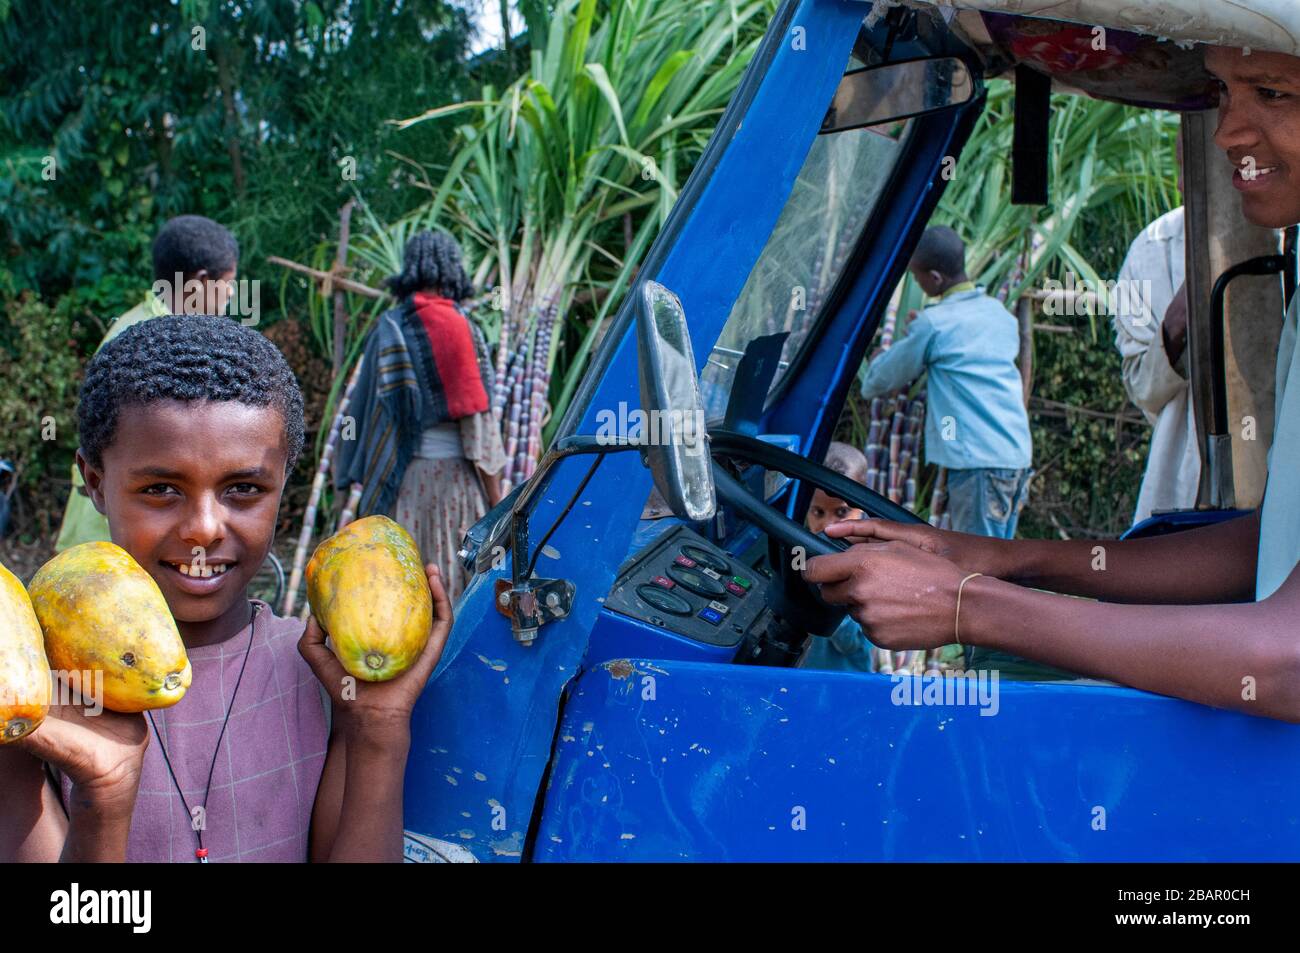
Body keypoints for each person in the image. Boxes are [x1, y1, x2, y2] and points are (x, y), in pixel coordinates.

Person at [804, 46, 1300, 723]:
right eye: (1222, 92)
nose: (1226, 134)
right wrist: (999, 558)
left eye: (1272, 92)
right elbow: (1270, 543)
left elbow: (1286, 664)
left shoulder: (936, 324)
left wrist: (967, 602)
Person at [0, 316, 451, 861]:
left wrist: (377, 730)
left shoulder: (327, 675)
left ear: (283, 484)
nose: (205, 527)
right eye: (161, 488)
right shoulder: (34, 691)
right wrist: (106, 796)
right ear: (94, 482)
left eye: (244, 488)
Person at [336, 230, 507, 605]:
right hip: (457, 489)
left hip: (403, 486)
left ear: (408, 270)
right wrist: (499, 503)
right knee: (456, 595)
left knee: (402, 592)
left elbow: (365, 411)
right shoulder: (463, 328)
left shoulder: (389, 327)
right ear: (453, 271)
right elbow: (479, 429)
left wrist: (354, 476)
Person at [54, 215, 240, 553]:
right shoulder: (152, 345)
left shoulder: (137, 324)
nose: (231, 295)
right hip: (117, 531)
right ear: (200, 283)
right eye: (228, 284)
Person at [860, 226, 1034, 539]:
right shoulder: (998, 314)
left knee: (981, 565)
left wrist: (880, 357)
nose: (916, 282)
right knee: (1003, 557)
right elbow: (966, 351)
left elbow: (878, 381)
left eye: (916, 276)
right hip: (1015, 456)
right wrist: (923, 334)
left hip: (979, 464)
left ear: (936, 278)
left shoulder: (934, 324)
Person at [1113, 144, 1198, 524]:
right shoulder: (1153, 249)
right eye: (1182, 166)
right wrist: (1178, 320)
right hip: (1185, 488)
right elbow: (1142, 390)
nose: (1184, 183)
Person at [800, 442, 875, 673]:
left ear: (861, 507)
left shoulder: (868, 562)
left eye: (841, 512)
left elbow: (849, 643)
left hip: (845, 682)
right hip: (806, 680)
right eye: (818, 512)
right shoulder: (800, 550)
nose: (828, 526)